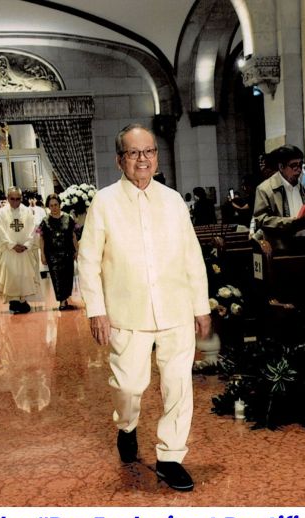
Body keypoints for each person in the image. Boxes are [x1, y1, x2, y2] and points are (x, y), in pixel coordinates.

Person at [77, 123, 210, 492]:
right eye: (134, 152)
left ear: (156, 156)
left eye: (149, 151)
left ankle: (170, 457)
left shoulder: (173, 200)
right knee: (129, 386)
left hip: (175, 309)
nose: (142, 159)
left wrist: (201, 306)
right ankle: (127, 426)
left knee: (178, 386)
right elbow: (88, 260)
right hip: (127, 312)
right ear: (120, 159)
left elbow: (191, 256)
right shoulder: (104, 202)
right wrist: (96, 310)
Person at [252, 144, 305, 251]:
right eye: (294, 165)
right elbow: (261, 220)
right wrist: (292, 223)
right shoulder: (265, 189)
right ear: (281, 167)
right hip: (280, 246)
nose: (299, 170)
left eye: (300, 165)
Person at [0, 186, 40, 313]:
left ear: (21, 198)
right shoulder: (2, 213)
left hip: (24, 250)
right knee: (11, 275)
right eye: (12, 199)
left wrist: (27, 244)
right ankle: (13, 301)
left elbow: (33, 229)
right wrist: (12, 245)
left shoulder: (27, 211)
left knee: (24, 275)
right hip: (9, 251)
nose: (15, 202)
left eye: (18, 199)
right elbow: (0, 231)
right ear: (8, 198)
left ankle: (22, 300)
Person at [39, 194, 78, 310]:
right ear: (48, 207)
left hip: (67, 253)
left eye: (56, 205)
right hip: (52, 255)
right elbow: (40, 238)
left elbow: (74, 235)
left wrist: (76, 250)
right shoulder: (44, 221)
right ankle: (62, 302)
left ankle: (65, 299)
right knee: (57, 278)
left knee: (68, 277)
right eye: (51, 205)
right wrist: (42, 254)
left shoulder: (69, 218)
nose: (54, 208)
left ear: (60, 205)